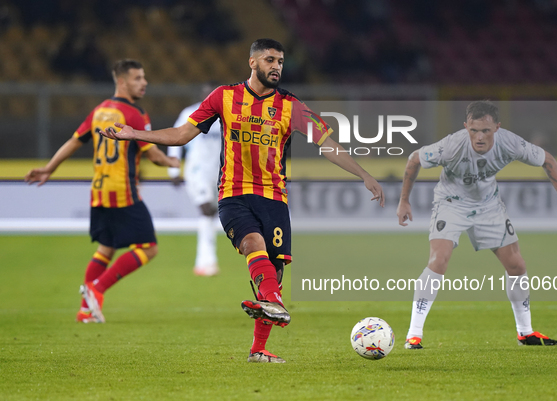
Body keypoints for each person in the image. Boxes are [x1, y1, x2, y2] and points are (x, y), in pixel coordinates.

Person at [100, 38, 385, 363]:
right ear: (252, 63)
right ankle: (275, 304)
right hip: (234, 194)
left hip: (274, 198)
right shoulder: (223, 97)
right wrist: (135, 135)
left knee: (271, 274)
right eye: (269, 60)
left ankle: (259, 346)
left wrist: (364, 174)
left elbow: (327, 143)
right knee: (252, 243)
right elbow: (181, 135)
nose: (276, 66)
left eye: (279, 61)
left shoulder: (290, 105)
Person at [396, 100, 557, 349]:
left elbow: (547, 160)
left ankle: (525, 333)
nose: (479, 137)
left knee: (516, 265)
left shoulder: (510, 143)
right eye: (473, 130)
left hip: (488, 205)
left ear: (497, 128)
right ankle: (413, 334)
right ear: (466, 126)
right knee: (438, 260)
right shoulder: (451, 146)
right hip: (451, 204)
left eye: (486, 131)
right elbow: (414, 159)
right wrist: (404, 201)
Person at [25, 59, 180, 324]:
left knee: (105, 248)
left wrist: (50, 168)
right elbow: (152, 154)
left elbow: (75, 141)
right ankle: (97, 289)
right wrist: (173, 161)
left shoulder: (99, 110)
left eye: (144, 78)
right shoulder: (134, 113)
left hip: (99, 191)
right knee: (149, 248)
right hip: (123, 191)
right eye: (137, 78)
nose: (144, 83)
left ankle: (86, 311)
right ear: (121, 82)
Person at [168, 86, 222, 276]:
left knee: (212, 213)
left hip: (219, 172)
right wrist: (173, 170)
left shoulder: (225, 115)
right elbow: (175, 138)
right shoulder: (190, 113)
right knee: (206, 209)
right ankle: (208, 262)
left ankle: (203, 261)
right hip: (197, 171)